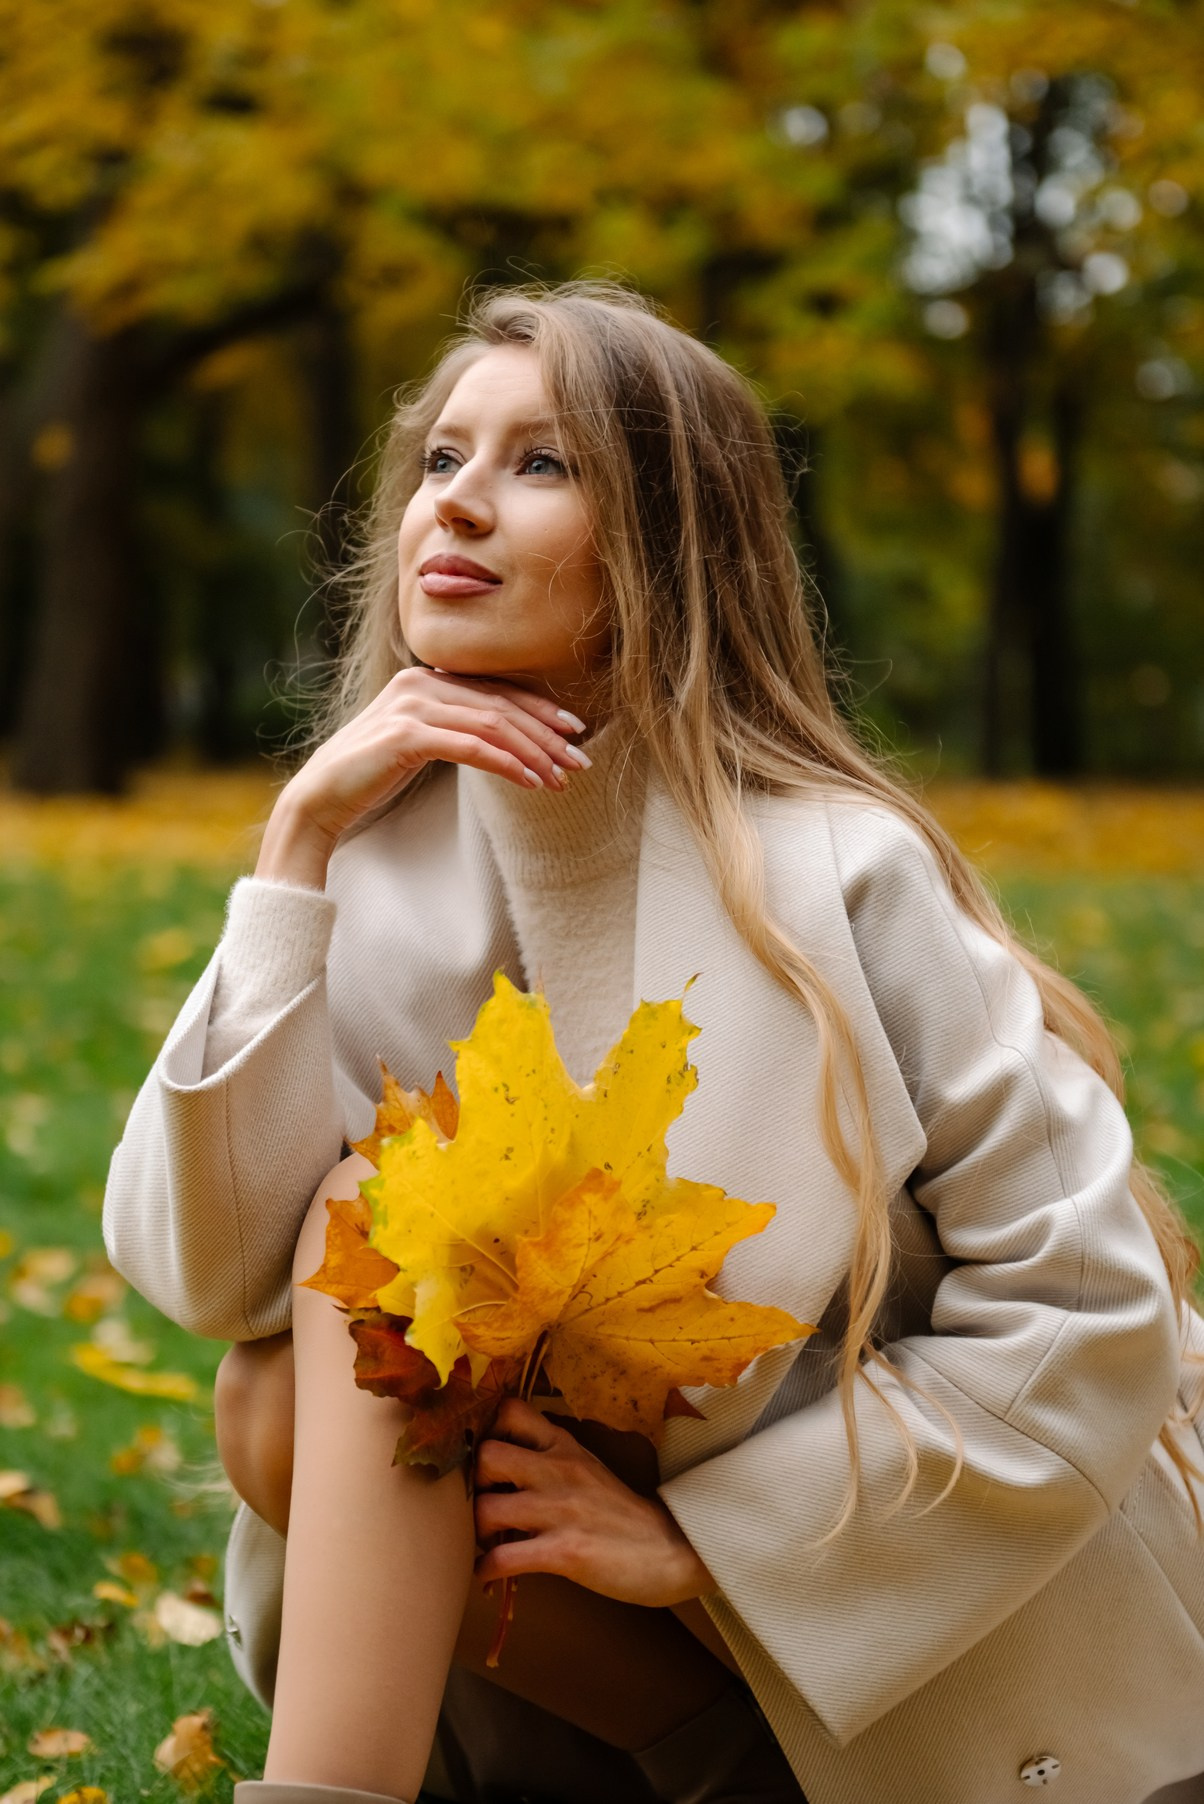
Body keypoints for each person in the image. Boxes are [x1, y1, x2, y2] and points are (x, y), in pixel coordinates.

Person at [103, 281, 1204, 1804]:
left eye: (540, 465)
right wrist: (292, 855)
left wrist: (708, 1549)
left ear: (665, 547)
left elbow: (1090, 1309)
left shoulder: (838, 872)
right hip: (602, 1645)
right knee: (296, 1362)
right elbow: (205, 1270)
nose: (458, 507)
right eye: (441, 460)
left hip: (911, 1627)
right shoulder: (366, 863)